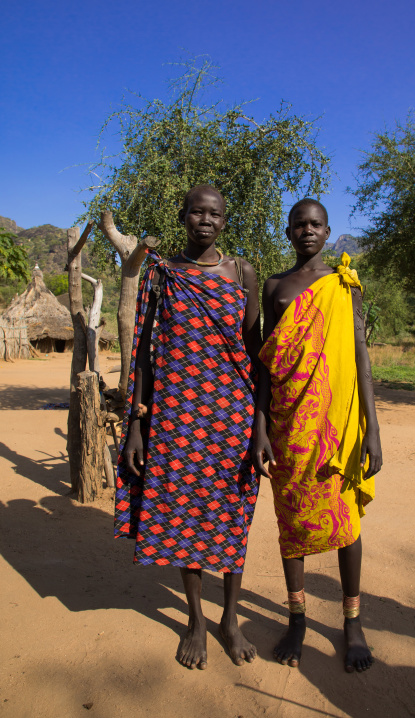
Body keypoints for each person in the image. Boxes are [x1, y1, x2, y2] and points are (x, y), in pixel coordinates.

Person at [115, 185, 262, 670]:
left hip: (231, 419)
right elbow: (141, 352)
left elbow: (253, 353)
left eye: (214, 213)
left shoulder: (242, 272)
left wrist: (260, 425)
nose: (205, 220)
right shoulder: (164, 274)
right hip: (176, 418)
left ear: (224, 220)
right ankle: (197, 620)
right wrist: (137, 423)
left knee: (231, 518)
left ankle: (231, 618)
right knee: (185, 517)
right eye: (196, 212)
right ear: (183, 216)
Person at [253, 198, 382, 673]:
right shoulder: (274, 287)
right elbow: (266, 363)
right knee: (293, 525)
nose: (307, 230)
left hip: (338, 425)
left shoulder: (344, 286)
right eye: (299, 224)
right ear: (288, 231)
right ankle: (297, 619)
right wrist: (260, 427)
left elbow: (361, 360)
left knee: (346, 524)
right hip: (289, 427)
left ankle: (352, 624)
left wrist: (373, 432)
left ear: (328, 232)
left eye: (316, 224)